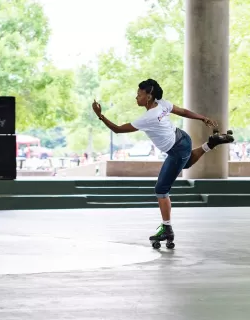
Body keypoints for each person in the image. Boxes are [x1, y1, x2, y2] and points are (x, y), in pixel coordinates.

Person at [91, 79, 234, 247]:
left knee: (161, 189)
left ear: (149, 96)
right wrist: (203, 118)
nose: (136, 97)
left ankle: (167, 228)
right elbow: (183, 112)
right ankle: (211, 143)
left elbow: (118, 129)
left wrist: (100, 115)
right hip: (183, 138)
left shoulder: (147, 118)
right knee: (185, 164)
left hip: (177, 149)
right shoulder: (162, 104)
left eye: (139, 95)